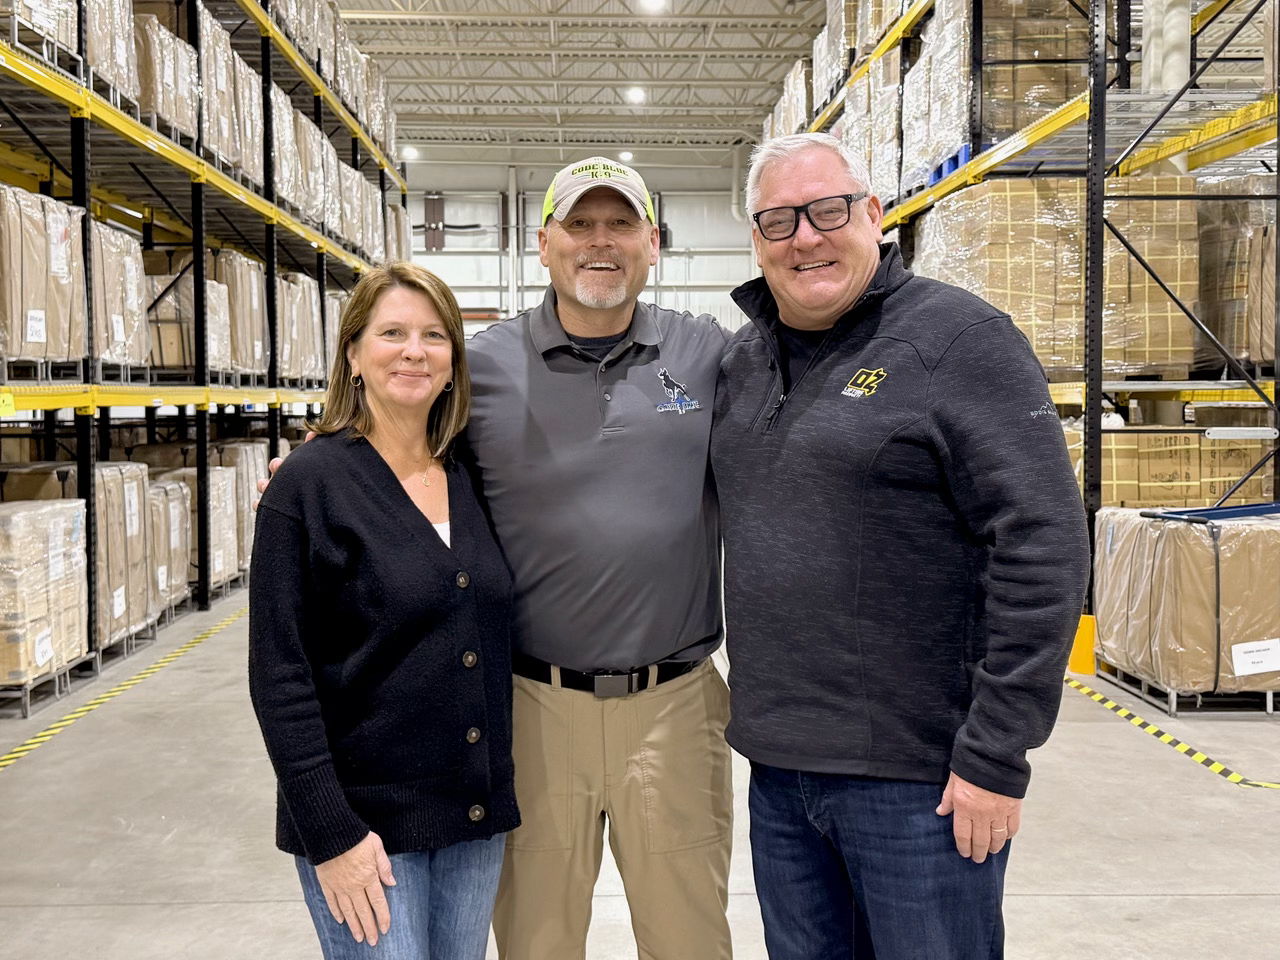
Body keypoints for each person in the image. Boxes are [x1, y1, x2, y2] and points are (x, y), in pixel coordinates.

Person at [260, 159, 734, 960]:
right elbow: (401, 430)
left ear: (654, 243)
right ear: (542, 242)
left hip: (675, 709)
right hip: (530, 707)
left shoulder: (709, 355)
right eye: (579, 225)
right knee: (534, 942)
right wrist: (319, 463)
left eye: (621, 225)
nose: (600, 243)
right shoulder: (484, 368)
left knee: (689, 939)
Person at [710, 132, 1090, 959]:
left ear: (875, 215)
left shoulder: (958, 340)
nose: (805, 237)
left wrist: (996, 753)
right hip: (779, 771)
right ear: (755, 239)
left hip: (921, 782)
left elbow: (1043, 544)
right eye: (778, 221)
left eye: (828, 210)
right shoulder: (741, 361)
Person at [249, 262, 517, 960]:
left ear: (455, 361)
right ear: (353, 354)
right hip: (362, 830)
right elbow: (280, 677)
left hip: (471, 822)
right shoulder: (308, 486)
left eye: (434, 335)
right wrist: (329, 832)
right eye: (391, 332)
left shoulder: (468, 475)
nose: (413, 351)